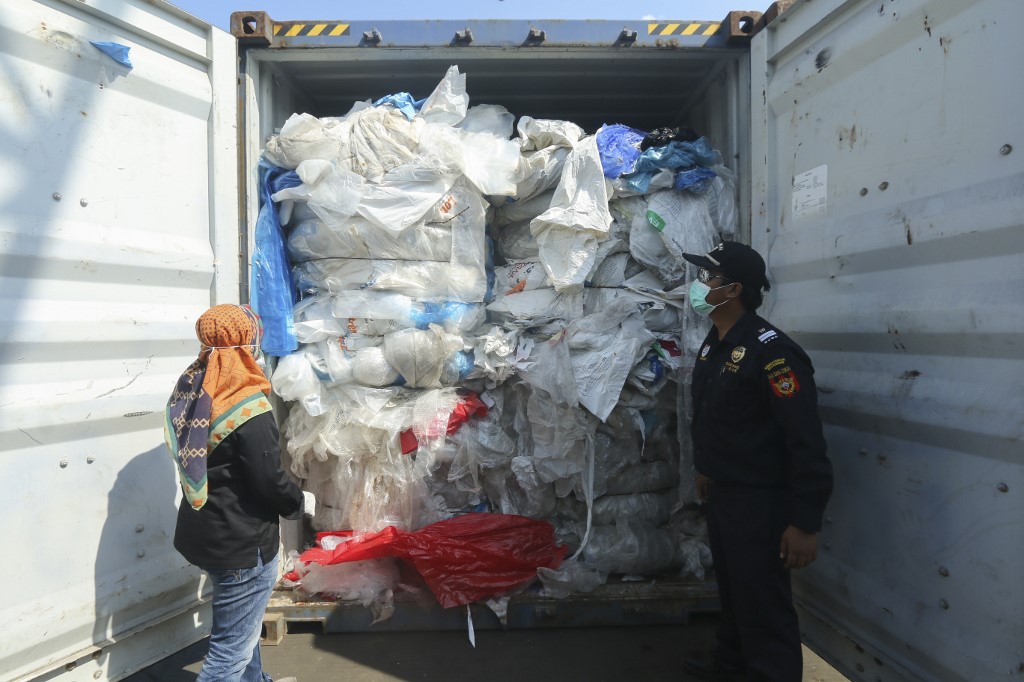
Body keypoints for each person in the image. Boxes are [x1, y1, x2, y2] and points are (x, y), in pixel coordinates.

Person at [680, 242, 833, 682]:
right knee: (733, 593)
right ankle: (731, 666)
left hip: (760, 503)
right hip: (726, 496)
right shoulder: (717, 343)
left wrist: (805, 522)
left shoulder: (774, 355)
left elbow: (805, 441)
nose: (699, 285)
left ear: (733, 289)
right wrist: (707, 468)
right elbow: (715, 415)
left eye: (708, 278)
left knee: (764, 605)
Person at [165, 304, 308, 682]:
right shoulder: (248, 408)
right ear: (247, 345)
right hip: (242, 545)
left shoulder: (192, 394)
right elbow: (268, 480)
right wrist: (298, 502)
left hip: (205, 534)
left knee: (244, 626)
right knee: (230, 650)